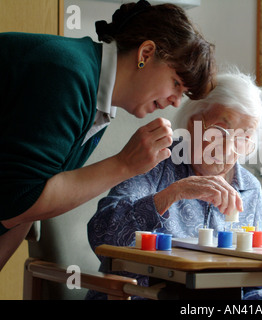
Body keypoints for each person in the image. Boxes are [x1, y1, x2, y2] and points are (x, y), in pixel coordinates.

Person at [0, 0, 216, 270]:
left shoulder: (98, 104)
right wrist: (124, 164)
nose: (175, 102)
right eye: (176, 83)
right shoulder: (67, 74)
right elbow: (17, 200)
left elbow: (26, 211)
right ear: (146, 53)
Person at [87, 69, 262, 300]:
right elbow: (102, 235)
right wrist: (172, 194)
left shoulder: (249, 188)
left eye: (243, 138)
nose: (228, 148)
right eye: (219, 130)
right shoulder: (153, 161)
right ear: (192, 122)